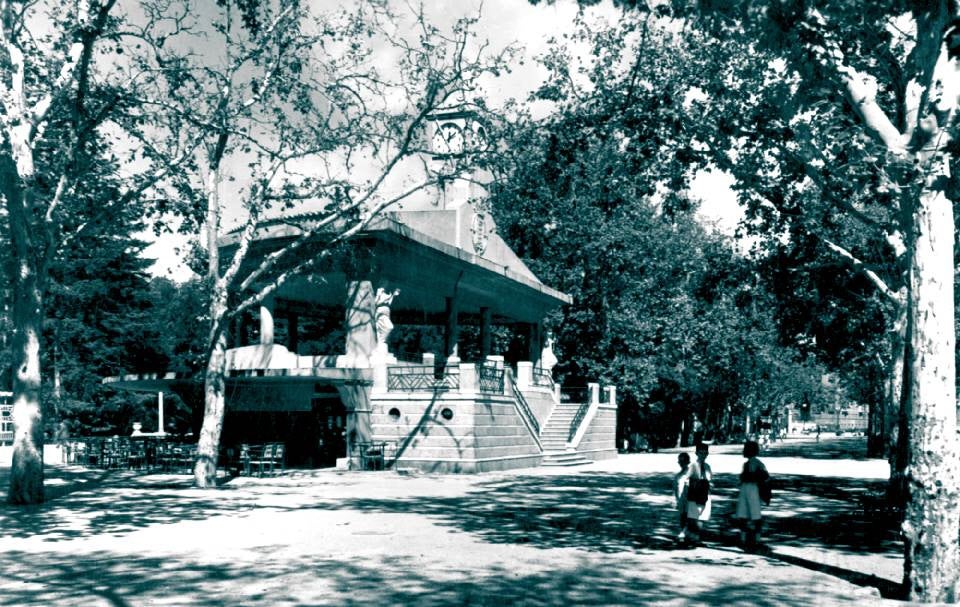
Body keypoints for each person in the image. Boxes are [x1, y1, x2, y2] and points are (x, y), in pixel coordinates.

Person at [736, 440, 770, 552]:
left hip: (752, 489)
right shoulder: (752, 463)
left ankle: (746, 538)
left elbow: (764, 476)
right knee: (751, 514)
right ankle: (754, 539)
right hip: (750, 489)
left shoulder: (755, 464)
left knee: (747, 514)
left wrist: (749, 476)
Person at [685, 442, 712, 544]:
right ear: (696, 453)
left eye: (705, 453)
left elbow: (709, 479)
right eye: (701, 453)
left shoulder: (707, 467)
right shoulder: (693, 466)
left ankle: (696, 538)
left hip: (705, 493)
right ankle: (690, 537)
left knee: (702, 517)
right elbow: (686, 479)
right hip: (695, 493)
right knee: (693, 516)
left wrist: (710, 485)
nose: (703, 455)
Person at [673, 452, 691, 542]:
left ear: (688, 462)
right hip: (681, 499)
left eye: (683, 461)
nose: (681, 463)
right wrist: (675, 499)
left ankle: (686, 533)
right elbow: (675, 488)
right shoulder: (678, 476)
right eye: (680, 461)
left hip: (690, 499)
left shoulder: (692, 474)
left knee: (689, 516)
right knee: (682, 516)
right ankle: (683, 532)